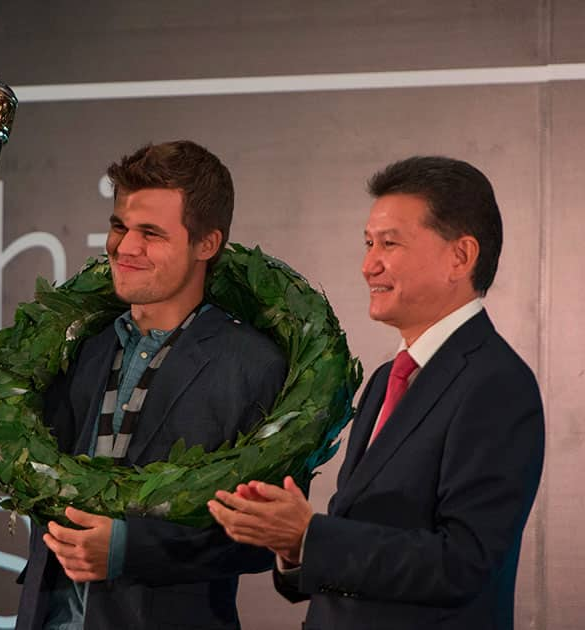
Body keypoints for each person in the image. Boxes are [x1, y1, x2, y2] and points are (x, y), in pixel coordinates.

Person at [0, 140, 288, 629]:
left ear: (207, 244)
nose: (125, 247)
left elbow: (261, 538)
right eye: (119, 226)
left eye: (150, 233)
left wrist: (130, 550)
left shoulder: (251, 365)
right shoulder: (76, 345)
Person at [207, 156, 546, 630]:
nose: (369, 265)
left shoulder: (496, 385)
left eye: (390, 244)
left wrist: (312, 536)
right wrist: (293, 546)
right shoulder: (388, 377)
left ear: (461, 257)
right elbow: (364, 538)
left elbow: (464, 564)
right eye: (368, 243)